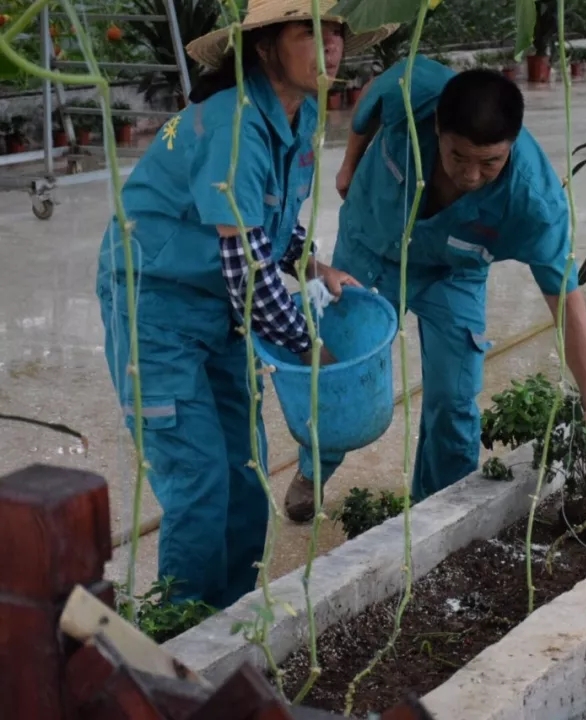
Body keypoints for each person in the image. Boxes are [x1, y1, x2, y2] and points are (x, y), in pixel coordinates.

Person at [95, 0, 396, 607]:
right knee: (200, 484)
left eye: (335, 32)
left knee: (246, 476)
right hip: (155, 307)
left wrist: (314, 264)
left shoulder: (299, 112)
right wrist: (312, 348)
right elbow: (250, 276)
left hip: (218, 310)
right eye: (309, 32)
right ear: (264, 47)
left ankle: (228, 627)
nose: (331, 45)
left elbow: (270, 227)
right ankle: (182, 640)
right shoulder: (233, 121)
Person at [283, 54, 586, 523]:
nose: (471, 175)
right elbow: (365, 111)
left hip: (453, 273)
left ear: (512, 146)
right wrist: (349, 167)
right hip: (370, 247)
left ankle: (438, 514)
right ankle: (313, 470)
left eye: (490, 163)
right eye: (458, 156)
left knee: (455, 398)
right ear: (437, 126)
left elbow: (567, 301)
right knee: (342, 366)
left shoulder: (534, 201)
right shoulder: (413, 90)